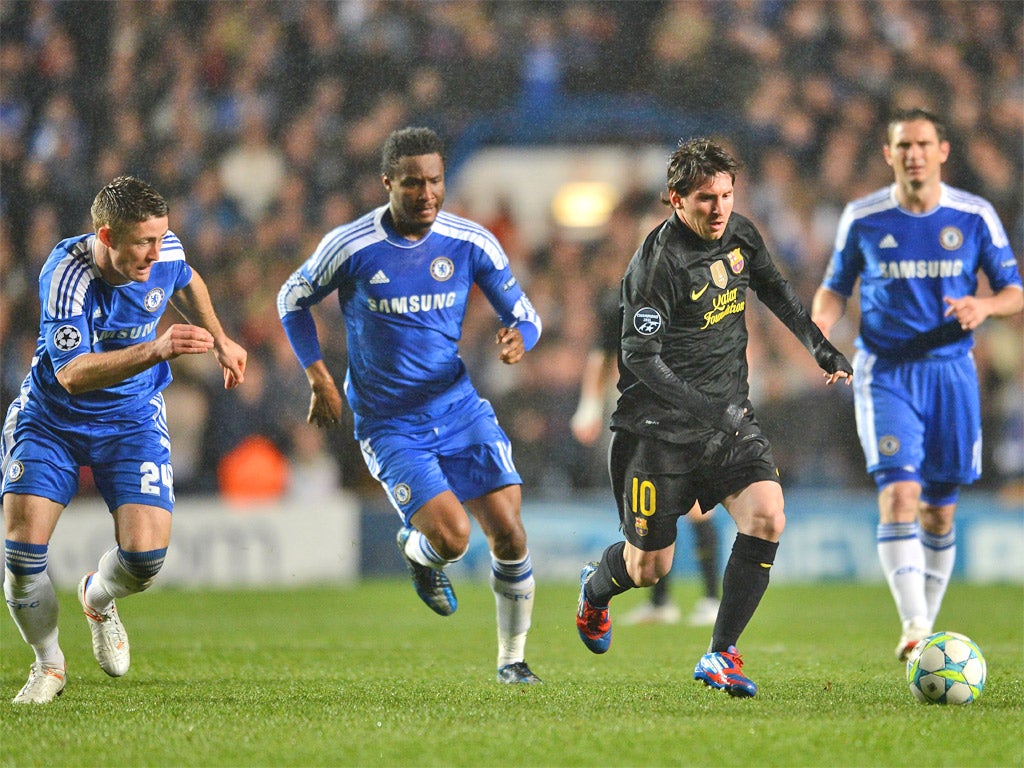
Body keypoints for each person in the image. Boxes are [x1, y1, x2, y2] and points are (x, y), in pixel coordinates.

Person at [574, 137, 853, 698]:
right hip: (658, 433)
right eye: (705, 198)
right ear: (675, 199)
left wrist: (819, 346)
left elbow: (776, 291)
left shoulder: (741, 234)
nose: (719, 208)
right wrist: (709, 409)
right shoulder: (656, 264)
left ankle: (720, 655)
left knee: (768, 515)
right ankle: (595, 591)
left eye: (726, 194)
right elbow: (638, 358)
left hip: (728, 421)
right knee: (649, 567)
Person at [277, 127, 543, 684]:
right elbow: (291, 300)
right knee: (452, 537)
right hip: (389, 423)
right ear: (387, 184)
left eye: (436, 181)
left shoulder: (470, 241)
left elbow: (526, 313)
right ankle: (420, 554)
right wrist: (318, 375)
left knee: (511, 533)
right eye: (413, 184)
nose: (427, 194)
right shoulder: (351, 246)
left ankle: (512, 662)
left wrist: (520, 336)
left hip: (458, 406)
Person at [2, 176, 248, 704]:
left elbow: (186, 279)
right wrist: (156, 350)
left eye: (161, 238)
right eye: (143, 242)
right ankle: (48, 664)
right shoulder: (67, 276)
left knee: (144, 561)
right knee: (22, 557)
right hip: (53, 420)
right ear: (107, 236)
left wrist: (221, 339)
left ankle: (98, 596)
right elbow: (71, 374)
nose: (156, 253)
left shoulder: (164, 251)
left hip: (131, 419)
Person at [811, 108, 1023, 661]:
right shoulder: (863, 217)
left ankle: (923, 623)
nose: (914, 154)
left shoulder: (974, 215)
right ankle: (914, 628)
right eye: (903, 145)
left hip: (952, 371)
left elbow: (1014, 290)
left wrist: (985, 305)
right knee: (899, 493)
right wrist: (822, 322)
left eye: (923, 144)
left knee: (939, 510)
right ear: (889, 154)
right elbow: (834, 287)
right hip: (886, 372)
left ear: (942, 151)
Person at [571, 212, 720, 627]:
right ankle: (662, 602)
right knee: (657, 512)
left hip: (688, 415)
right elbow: (601, 356)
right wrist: (588, 406)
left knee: (694, 507)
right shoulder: (619, 297)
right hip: (642, 419)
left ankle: (710, 598)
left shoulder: (699, 290)